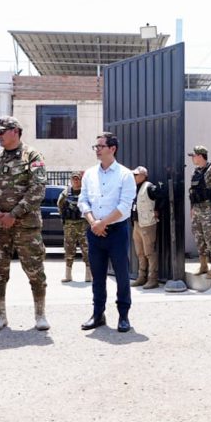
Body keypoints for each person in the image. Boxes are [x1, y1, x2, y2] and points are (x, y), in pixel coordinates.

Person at [0, 116, 49, 332]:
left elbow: (38, 189)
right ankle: (0, 315)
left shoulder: (32, 156)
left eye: (1, 132)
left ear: (15, 131)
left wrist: (14, 214)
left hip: (26, 225)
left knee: (35, 270)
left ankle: (40, 315)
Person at [78, 132, 136, 333]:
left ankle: (123, 315)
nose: (97, 150)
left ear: (113, 149)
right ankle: (98, 314)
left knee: (121, 275)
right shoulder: (90, 174)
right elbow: (83, 200)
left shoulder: (125, 175)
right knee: (97, 275)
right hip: (94, 231)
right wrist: (94, 222)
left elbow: (125, 206)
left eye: (101, 146)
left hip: (117, 231)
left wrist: (103, 223)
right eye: (96, 146)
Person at [187, 145, 211, 280]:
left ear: (200, 155)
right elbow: (192, 191)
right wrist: (192, 208)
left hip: (209, 209)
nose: (192, 158)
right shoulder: (196, 172)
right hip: (197, 209)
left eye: (194, 155)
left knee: (210, 238)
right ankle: (203, 265)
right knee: (199, 238)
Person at [130, 166, 161, 290]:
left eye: (136, 175)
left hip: (147, 224)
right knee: (140, 252)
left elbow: (161, 196)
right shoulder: (135, 188)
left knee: (149, 252)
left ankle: (153, 279)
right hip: (137, 223)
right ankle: (141, 277)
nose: (134, 177)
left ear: (144, 175)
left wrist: (157, 210)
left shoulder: (149, 187)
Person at [58, 171, 91, 283]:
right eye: (74, 179)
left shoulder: (86, 192)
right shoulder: (66, 193)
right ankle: (68, 275)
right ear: (71, 180)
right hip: (70, 225)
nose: (76, 181)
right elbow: (60, 205)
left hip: (83, 224)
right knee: (69, 250)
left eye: (78, 179)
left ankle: (88, 274)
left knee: (86, 249)